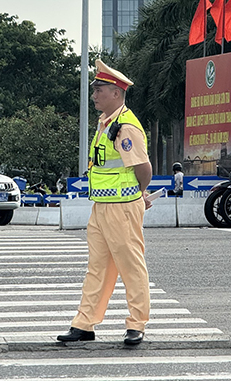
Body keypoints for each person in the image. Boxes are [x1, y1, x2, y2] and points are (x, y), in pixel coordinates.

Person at [57, 59, 152, 347]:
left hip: (123, 207)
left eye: (99, 89)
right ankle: (84, 324)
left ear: (116, 93)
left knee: (130, 266)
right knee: (98, 268)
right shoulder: (105, 123)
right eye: (94, 89)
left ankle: (137, 324)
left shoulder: (125, 127)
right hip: (102, 207)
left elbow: (143, 168)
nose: (94, 94)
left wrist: (139, 194)